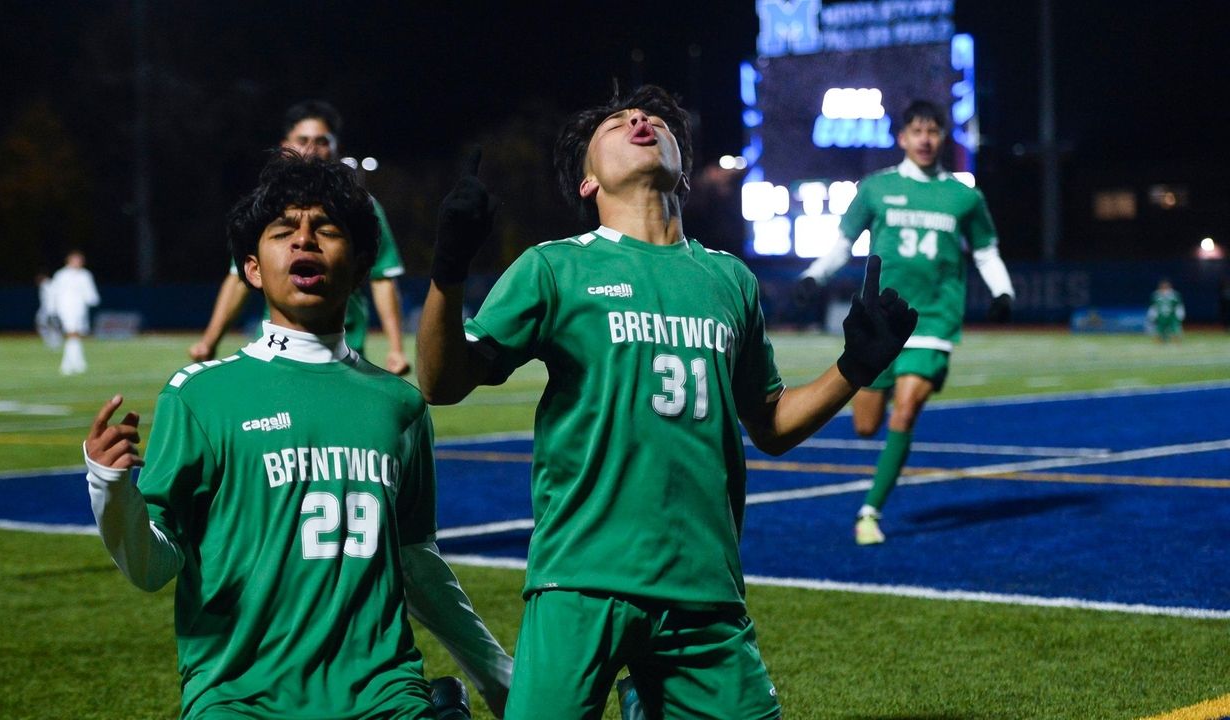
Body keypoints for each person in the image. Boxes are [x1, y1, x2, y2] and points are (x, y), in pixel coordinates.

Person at [417, 85, 916, 720]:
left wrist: (855, 369)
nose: (638, 119)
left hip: (704, 587)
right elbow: (441, 381)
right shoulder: (553, 267)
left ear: (682, 166)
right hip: (581, 580)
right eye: (615, 125)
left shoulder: (728, 278)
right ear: (587, 183)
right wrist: (448, 271)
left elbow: (770, 424)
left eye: (653, 118)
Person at [83, 153, 510, 719]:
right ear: (253, 269)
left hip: (381, 693)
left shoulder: (401, 403)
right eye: (284, 232)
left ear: (360, 267)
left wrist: (501, 678)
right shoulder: (200, 396)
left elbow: (417, 561)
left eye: (326, 231)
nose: (304, 242)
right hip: (241, 698)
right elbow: (153, 568)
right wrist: (110, 487)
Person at [797, 99, 1015, 545]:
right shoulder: (875, 189)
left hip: (934, 319)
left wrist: (1002, 291)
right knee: (864, 426)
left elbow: (987, 251)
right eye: (917, 131)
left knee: (909, 406)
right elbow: (842, 244)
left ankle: (869, 512)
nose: (925, 139)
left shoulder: (964, 196)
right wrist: (813, 276)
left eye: (933, 131)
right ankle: (873, 496)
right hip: (880, 320)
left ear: (942, 137)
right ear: (902, 138)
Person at [189, 100, 412, 375]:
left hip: (344, 346)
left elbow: (382, 279)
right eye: (303, 139)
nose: (311, 148)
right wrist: (209, 341)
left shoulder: (361, 206)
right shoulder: (267, 206)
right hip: (278, 346)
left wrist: (396, 349)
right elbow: (238, 278)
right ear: (285, 146)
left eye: (321, 141)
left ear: (335, 148)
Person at [50, 249, 100, 375]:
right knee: (72, 334)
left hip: (80, 310)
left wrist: (93, 300)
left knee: (76, 336)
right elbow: (54, 293)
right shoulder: (61, 275)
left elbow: (90, 294)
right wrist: (53, 309)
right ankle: (71, 364)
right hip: (66, 309)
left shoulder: (85, 275)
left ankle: (73, 363)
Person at [1147, 278, 1185, 343]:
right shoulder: (1156, 295)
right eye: (1163, 287)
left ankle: (1178, 344)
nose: (1164, 288)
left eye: (1166, 286)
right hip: (1161, 316)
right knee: (1158, 331)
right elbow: (1153, 307)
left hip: (1172, 316)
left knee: (1175, 330)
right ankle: (1159, 345)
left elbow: (1179, 306)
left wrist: (1180, 314)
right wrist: (1152, 315)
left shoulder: (1174, 295)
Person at [34, 271, 63, 349]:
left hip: (51, 310)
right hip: (46, 309)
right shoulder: (45, 285)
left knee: (53, 326)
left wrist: (53, 310)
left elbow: (55, 297)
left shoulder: (48, 285)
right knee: (43, 325)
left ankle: (55, 342)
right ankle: (50, 341)